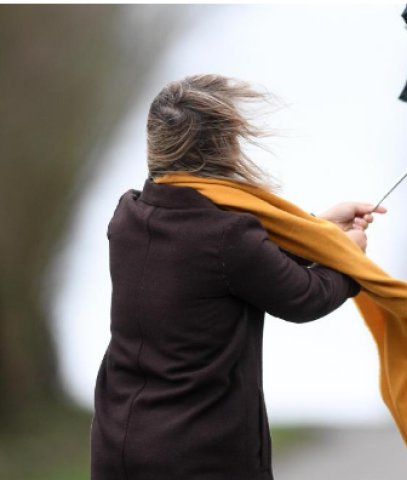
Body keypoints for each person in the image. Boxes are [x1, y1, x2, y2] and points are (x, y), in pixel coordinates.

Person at [90, 74, 384, 480]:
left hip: (118, 446)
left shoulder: (128, 216)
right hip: (200, 457)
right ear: (224, 147)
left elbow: (237, 266)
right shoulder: (227, 236)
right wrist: (349, 260)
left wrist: (320, 231)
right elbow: (304, 296)